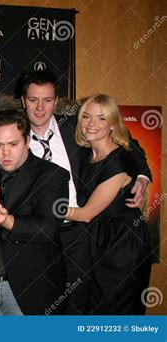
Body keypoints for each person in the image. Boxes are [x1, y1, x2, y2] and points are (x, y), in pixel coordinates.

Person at [20, 70, 152, 314]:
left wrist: (142, 177)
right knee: (40, 304)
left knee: (84, 304)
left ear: (56, 102)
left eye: (47, 100)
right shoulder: (14, 136)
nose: (40, 108)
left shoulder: (72, 127)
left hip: (80, 235)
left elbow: (129, 144)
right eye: (33, 100)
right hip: (37, 235)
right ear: (22, 101)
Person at [0, 109, 69, 315]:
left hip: (28, 289)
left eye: (13, 144)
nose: (5, 153)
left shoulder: (52, 175)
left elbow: (48, 228)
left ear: (27, 141)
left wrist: (5, 220)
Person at [66, 94, 152, 314]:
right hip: (96, 240)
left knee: (116, 312)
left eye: (101, 118)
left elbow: (86, 214)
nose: (92, 124)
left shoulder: (117, 161)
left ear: (113, 124)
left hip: (120, 245)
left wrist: (42, 209)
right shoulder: (85, 152)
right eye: (86, 116)